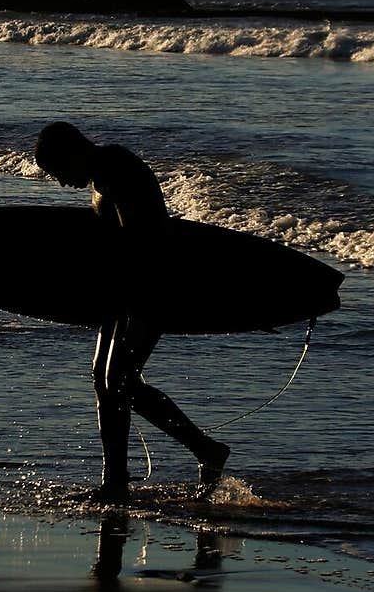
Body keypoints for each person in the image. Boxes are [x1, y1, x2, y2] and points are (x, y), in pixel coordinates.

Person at [34, 121, 230, 502]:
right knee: (105, 380)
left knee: (118, 381)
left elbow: (142, 246)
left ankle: (191, 456)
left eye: (59, 172)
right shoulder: (103, 172)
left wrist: (132, 304)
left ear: (74, 153)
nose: (60, 182)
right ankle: (122, 479)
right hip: (125, 292)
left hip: (149, 289)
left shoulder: (116, 171)